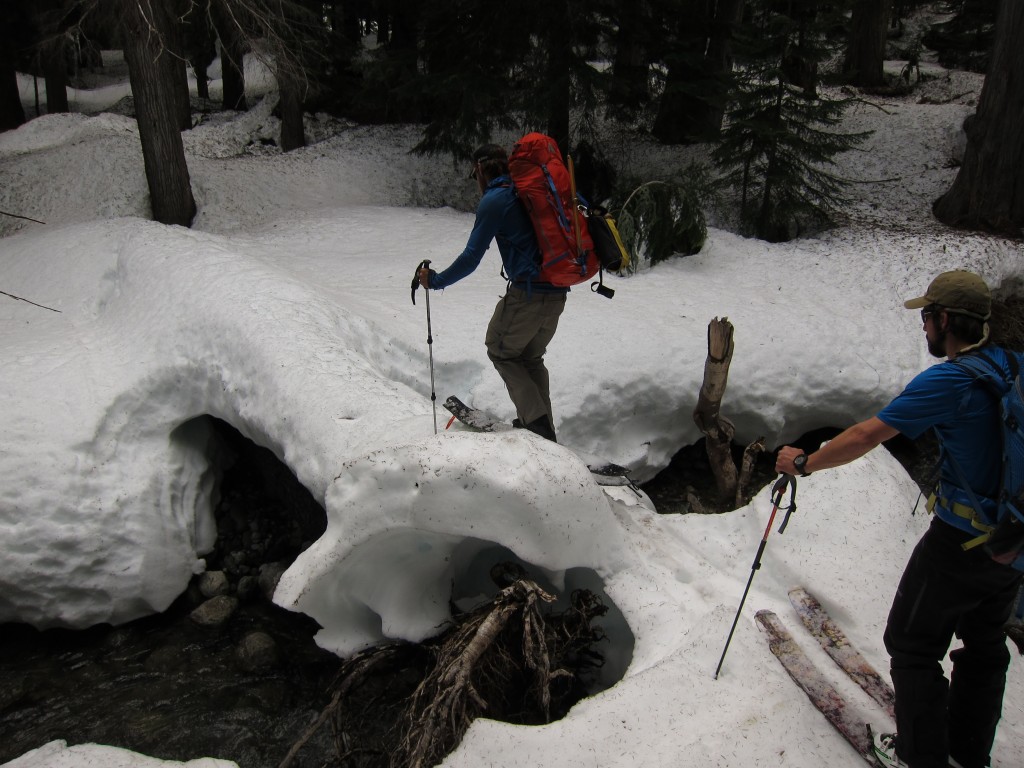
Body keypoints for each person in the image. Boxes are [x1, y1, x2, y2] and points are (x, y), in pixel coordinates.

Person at [775, 270, 1022, 768]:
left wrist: (802, 462)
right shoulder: (1013, 365)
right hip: (1012, 543)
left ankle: (923, 757)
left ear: (946, 319)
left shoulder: (950, 380)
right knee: (985, 643)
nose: (924, 326)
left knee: (911, 647)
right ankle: (967, 752)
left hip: (960, 543)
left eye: (928, 317)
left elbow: (869, 433)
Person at [418, 144, 567, 442]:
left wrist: (435, 280)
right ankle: (541, 424)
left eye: (475, 174)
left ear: (482, 170)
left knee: (500, 349)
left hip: (528, 295)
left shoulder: (497, 199)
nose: (476, 181)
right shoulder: (525, 194)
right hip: (557, 292)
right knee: (529, 357)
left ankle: (537, 426)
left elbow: (471, 258)